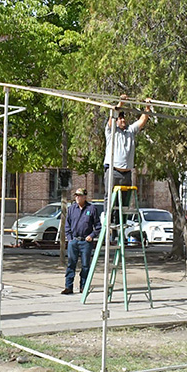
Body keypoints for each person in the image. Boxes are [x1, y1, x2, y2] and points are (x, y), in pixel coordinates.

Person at [103, 95, 151, 235]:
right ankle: (109, 222)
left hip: (127, 172)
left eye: (124, 118)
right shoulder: (111, 131)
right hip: (113, 170)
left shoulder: (130, 131)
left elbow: (142, 120)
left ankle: (120, 222)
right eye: (120, 118)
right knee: (109, 197)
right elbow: (113, 113)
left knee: (124, 200)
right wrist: (121, 102)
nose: (123, 120)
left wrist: (147, 107)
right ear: (116, 120)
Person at [63, 188, 101, 294]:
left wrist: (92, 235)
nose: (77, 198)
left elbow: (98, 226)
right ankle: (68, 286)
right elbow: (67, 225)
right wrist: (70, 239)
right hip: (74, 240)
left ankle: (83, 286)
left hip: (86, 241)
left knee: (85, 265)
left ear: (84, 197)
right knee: (71, 264)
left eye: (79, 196)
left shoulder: (91, 209)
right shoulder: (71, 209)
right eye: (76, 196)